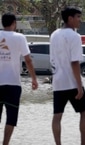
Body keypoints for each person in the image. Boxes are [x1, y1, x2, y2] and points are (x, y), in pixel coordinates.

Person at [50, 7, 85, 145]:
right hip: (72, 82)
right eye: (78, 17)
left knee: (57, 116)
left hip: (58, 82)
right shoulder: (75, 36)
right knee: (84, 112)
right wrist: (79, 86)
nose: (80, 20)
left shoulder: (54, 34)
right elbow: (75, 62)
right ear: (70, 18)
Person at [0, 13, 38, 145]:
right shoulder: (20, 37)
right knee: (11, 118)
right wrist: (34, 79)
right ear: (14, 23)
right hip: (13, 84)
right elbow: (28, 59)